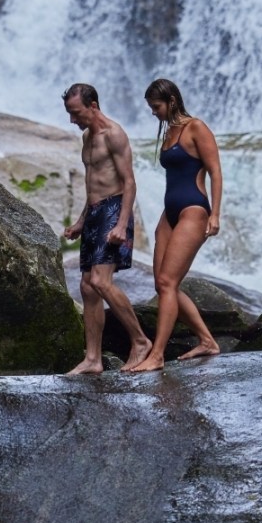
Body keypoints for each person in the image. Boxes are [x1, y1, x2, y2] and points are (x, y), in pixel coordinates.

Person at [128, 79, 223, 372]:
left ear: (170, 100)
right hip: (170, 213)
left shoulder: (196, 127)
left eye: (156, 107)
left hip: (194, 209)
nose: (153, 113)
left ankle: (156, 355)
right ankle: (207, 340)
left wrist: (215, 214)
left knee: (168, 283)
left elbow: (216, 172)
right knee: (163, 284)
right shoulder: (169, 131)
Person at [61, 83, 153, 374]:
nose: (72, 120)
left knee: (101, 282)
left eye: (76, 113)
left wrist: (122, 224)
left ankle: (140, 342)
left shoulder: (114, 135)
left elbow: (129, 182)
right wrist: (80, 221)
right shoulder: (88, 137)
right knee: (87, 287)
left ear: (93, 106)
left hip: (114, 210)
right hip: (96, 213)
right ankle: (93, 359)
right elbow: (93, 186)